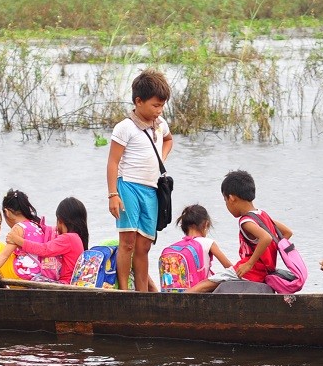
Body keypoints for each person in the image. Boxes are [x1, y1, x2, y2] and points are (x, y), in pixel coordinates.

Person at [107, 68, 173, 291]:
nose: (159, 110)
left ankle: (142, 293)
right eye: (155, 105)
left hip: (151, 190)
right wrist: (113, 195)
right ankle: (125, 291)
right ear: (138, 101)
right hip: (128, 187)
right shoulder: (125, 127)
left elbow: (168, 140)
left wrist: (160, 160)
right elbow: (113, 163)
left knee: (144, 245)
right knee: (127, 242)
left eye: (162, 105)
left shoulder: (161, 124)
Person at [189, 170, 292, 293]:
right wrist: (270, 252)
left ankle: (177, 306)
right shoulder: (263, 216)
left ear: (231, 198)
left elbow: (266, 238)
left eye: (225, 201)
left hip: (251, 271)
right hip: (265, 270)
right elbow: (287, 232)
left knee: (203, 285)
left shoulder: (246, 222)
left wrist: (249, 264)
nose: (227, 205)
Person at [0, 189, 54, 292]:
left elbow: (4, 255)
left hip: (20, 275)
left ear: (7, 212)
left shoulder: (18, 228)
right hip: (37, 275)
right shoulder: (36, 225)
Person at [8, 196, 89, 285]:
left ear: (60, 220)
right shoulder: (77, 238)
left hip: (65, 283)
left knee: (32, 279)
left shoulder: (68, 238)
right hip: (71, 282)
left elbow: (44, 249)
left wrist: (16, 239)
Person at [161, 204, 234, 290]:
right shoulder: (208, 242)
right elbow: (230, 268)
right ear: (206, 224)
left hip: (173, 294)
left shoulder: (172, 247)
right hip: (199, 293)